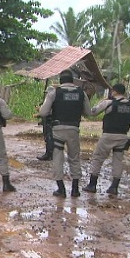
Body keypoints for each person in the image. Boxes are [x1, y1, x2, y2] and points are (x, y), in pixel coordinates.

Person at [38, 69, 92, 197]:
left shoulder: (54, 93)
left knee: (58, 158)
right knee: (74, 158)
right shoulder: (81, 93)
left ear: (60, 81)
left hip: (58, 129)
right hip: (74, 129)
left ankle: (61, 189)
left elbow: (43, 112)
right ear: (72, 81)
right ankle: (75, 189)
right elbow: (88, 113)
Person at [83, 83, 130, 195]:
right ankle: (114, 187)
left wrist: (100, 103)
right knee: (118, 160)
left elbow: (93, 112)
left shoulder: (109, 103)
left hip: (108, 134)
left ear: (114, 91)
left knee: (98, 158)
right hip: (123, 136)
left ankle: (92, 185)